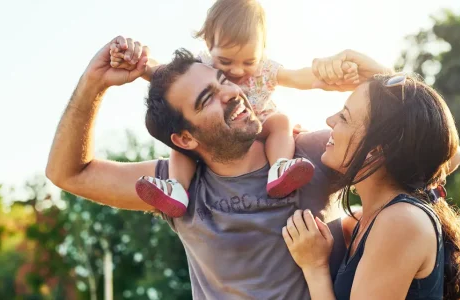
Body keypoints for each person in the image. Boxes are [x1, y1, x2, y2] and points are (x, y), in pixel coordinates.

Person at [45, 34, 391, 298]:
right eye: (206, 98)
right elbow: (68, 173)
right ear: (184, 139)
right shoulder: (176, 188)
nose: (230, 93)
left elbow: (438, 157)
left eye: (223, 82)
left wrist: (381, 76)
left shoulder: (312, 153)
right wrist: (94, 82)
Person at [107, 0, 360, 217]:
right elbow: (163, 74)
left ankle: (280, 168)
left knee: (281, 121)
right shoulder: (201, 66)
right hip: (219, 133)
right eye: (226, 62)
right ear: (208, 44)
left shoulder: (265, 69)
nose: (237, 71)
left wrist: (325, 79)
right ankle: (176, 189)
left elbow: (296, 77)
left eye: (249, 61)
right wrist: (135, 60)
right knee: (183, 145)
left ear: (262, 49)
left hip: (259, 123)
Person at [282, 73, 460, 299]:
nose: (330, 120)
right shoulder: (368, 219)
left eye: (344, 118)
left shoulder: (401, 221)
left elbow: (438, 144)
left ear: (376, 150)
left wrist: (315, 268)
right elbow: (436, 146)